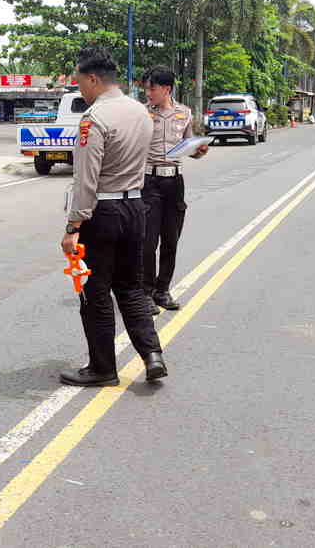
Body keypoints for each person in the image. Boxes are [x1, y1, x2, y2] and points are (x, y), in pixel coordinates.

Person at [59, 47, 166, 387]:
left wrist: (73, 226)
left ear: (93, 79)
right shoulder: (140, 112)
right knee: (132, 288)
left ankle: (103, 368)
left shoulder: (95, 118)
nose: (80, 90)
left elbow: (86, 180)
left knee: (96, 292)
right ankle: (153, 355)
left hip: (103, 213)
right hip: (136, 207)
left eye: (80, 82)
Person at [141, 65, 206, 312]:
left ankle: (162, 290)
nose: (148, 93)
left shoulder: (184, 113)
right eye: (146, 89)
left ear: (166, 89)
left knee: (171, 239)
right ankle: (145, 293)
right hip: (149, 182)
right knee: (148, 241)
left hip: (174, 183)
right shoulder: (141, 113)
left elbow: (190, 147)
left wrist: (199, 151)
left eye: (152, 88)